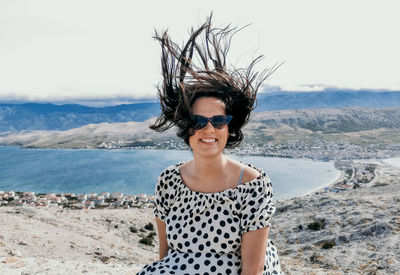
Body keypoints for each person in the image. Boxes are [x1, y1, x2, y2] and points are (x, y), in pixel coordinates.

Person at [138, 15, 282, 275]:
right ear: (186, 126)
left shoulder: (252, 185)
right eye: (198, 120)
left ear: (229, 127)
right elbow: (165, 257)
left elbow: (253, 271)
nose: (208, 129)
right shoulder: (168, 181)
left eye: (218, 121)